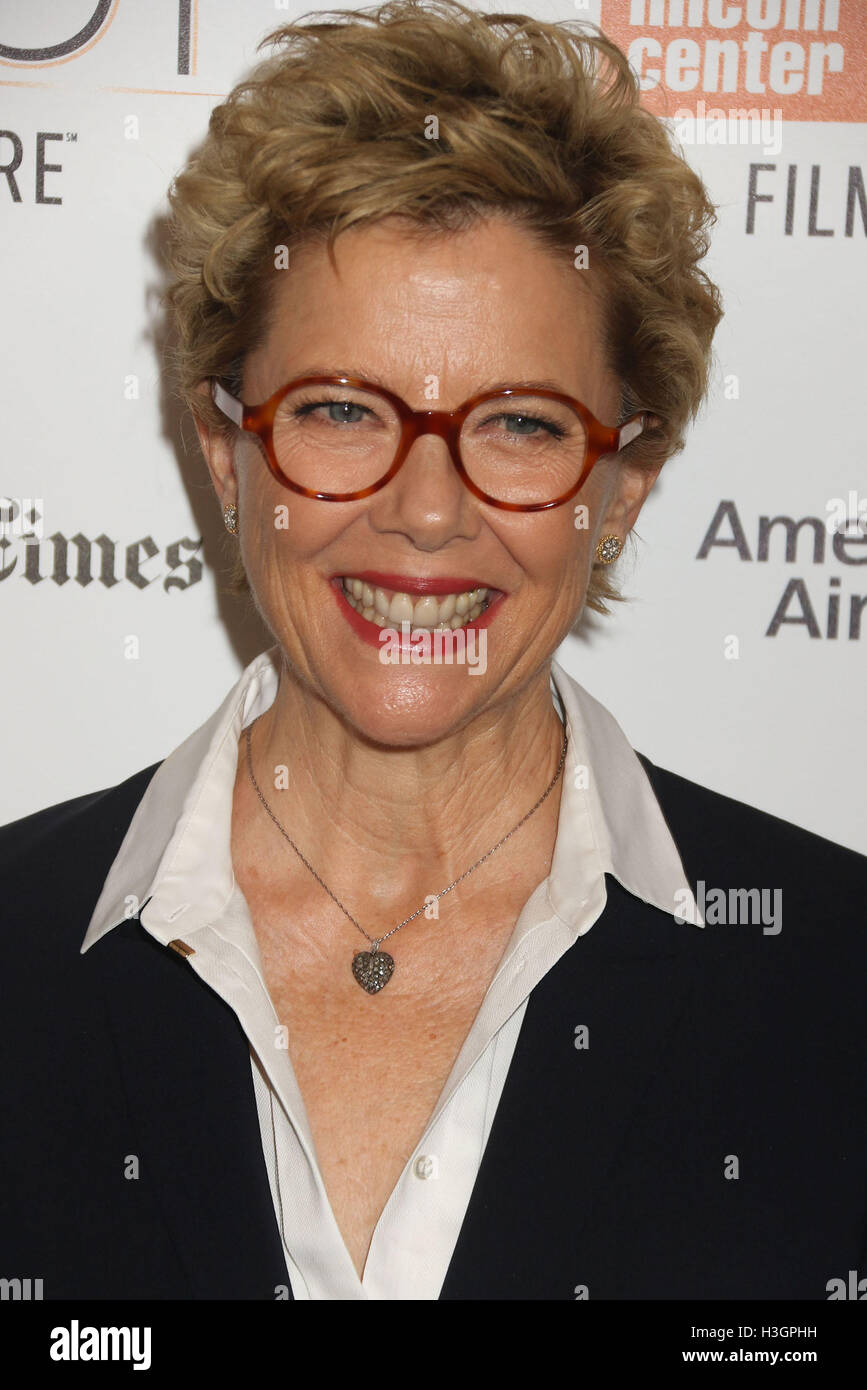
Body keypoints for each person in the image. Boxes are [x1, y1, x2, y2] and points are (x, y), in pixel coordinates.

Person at [1, 0, 865, 1302]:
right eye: (344, 408)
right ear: (227, 453)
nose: (423, 511)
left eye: (518, 422)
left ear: (622, 483)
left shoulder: (839, 983)